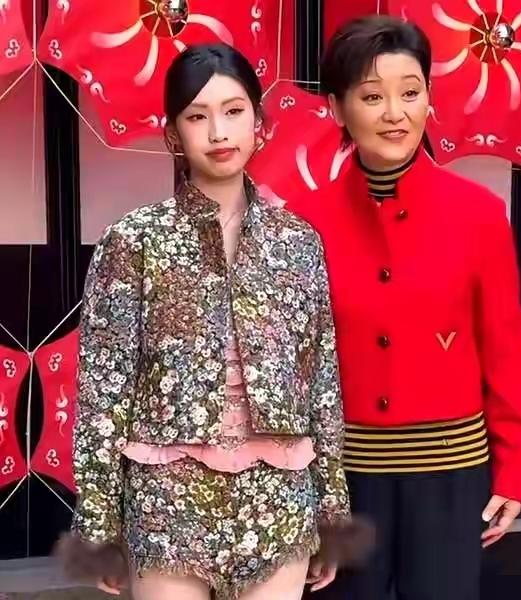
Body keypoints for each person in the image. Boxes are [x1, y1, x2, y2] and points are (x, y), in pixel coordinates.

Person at [56, 43, 368, 600]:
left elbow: (321, 384)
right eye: (197, 117)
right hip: (166, 498)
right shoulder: (135, 240)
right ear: (174, 133)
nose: (219, 132)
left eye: (233, 110)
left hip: (279, 495)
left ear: (258, 122)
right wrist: (99, 526)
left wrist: (331, 514)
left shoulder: (298, 242)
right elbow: (104, 389)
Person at [287, 15, 521, 600]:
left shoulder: (478, 215)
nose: (394, 113)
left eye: (410, 92)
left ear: (430, 98)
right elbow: (292, 369)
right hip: (345, 482)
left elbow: (505, 349)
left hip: (451, 478)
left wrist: (514, 469)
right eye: (371, 97)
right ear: (337, 108)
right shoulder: (301, 225)